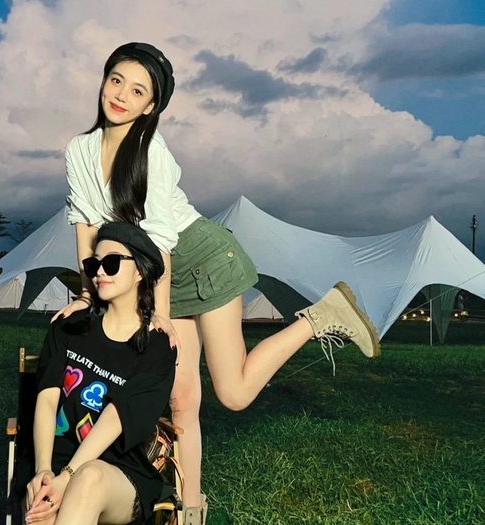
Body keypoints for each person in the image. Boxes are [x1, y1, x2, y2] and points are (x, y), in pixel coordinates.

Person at [54, 42, 381, 523]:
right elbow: (86, 225)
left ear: (151, 106)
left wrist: (159, 314)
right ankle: (191, 508)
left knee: (234, 393)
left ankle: (320, 316)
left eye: (138, 90)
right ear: (103, 81)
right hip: (161, 277)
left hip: (203, 260)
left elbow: (162, 239)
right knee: (181, 398)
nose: (121, 95)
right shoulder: (79, 150)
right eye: (116, 80)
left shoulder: (151, 152)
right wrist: (87, 295)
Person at [19, 222, 177, 525]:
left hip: (118, 472)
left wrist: (67, 477)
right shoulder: (68, 326)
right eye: (94, 265)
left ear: (140, 272)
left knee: (88, 478)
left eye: (112, 262)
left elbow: (116, 417)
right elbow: (47, 399)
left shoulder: (158, 348)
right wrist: (43, 471)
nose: (100, 272)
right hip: (51, 458)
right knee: (42, 510)